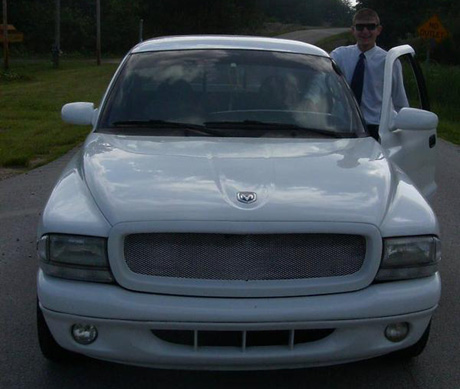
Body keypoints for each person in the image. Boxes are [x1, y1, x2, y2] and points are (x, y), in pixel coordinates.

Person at [330, 8, 408, 140]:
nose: (365, 31)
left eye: (371, 26)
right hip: (343, 127)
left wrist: (405, 130)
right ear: (353, 30)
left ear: (379, 30)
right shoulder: (338, 56)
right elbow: (321, 89)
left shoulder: (389, 61)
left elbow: (399, 101)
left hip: (376, 130)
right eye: (360, 27)